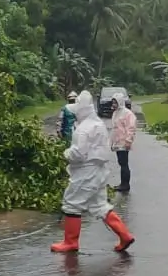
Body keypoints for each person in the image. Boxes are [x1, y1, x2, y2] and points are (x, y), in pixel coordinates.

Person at [51, 91, 135, 254]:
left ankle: (70, 242)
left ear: (81, 110)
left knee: (71, 203)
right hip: (99, 172)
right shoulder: (97, 124)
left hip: (85, 172)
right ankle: (125, 235)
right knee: (100, 206)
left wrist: (66, 154)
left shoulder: (83, 129)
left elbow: (78, 154)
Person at [109, 92, 137, 193]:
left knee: (124, 163)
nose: (113, 104)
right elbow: (114, 129)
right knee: (121, 163)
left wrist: (128, 140)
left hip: (124, 142)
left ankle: (125, 185)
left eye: (115, 102)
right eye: (113, 102)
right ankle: (123, 183)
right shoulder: (115, 113)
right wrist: (112, 143)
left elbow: (131, 128)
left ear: (120, 102)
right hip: (117, 142)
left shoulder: (127, 113)